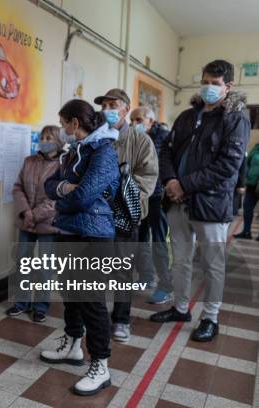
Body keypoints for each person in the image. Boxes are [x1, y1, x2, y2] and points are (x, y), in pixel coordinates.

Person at [150, 60, 250, 342]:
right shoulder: (186, 116)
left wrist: (184, 185)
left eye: (215, 83)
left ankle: (211, 317)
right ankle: (180, 308)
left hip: (210, 204)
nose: (208, 87)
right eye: (205, 81)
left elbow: (227, 165)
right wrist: (170, 182)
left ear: (228, 86)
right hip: (177, 202)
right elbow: (166, 152)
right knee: (180, 260)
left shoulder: (235, 119)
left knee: (212, 264)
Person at [40, 99, 120, 396]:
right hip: (69, 228)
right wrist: (63, 188)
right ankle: (73, 344)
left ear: (75, 123)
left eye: (63, 125)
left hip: (94, 234)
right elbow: (49, 185)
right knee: (70, 293)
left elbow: (85, 195)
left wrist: (63, 196)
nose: (62, 130)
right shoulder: (77, 150)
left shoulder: (104, 151)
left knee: (91, 300)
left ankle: (101, 364)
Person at [95, 89, 158, 342]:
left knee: (122, 271)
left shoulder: (140, 141)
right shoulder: (97, 137)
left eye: (113, 105)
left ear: (126, 108)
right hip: (98, 215)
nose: (108, 109)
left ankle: (121, 319)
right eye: (105, 105)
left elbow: (148, 177)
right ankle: (96, 318)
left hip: (125, 216)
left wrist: (122, 192)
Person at [6, 125, 65, 322]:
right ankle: (21, 302)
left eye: (49, 137)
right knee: (23, 262)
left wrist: (36, 214)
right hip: (26, 222)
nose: (44, 141)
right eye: (42, 137)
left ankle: (40, 306)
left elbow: (58, 197)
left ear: (58, 141)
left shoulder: (63, 165)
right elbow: (17, 187)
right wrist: (26, 212)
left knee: (46, 266)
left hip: (48, 223)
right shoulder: (29, 161)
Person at [130, 107, 174, 304]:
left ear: (151, 121)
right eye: (133, 120)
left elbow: (167, 164)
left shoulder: (164, 137)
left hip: (157, 196)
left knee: (158, 240)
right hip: (139, 196)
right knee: (139, 238)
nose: (135, 123)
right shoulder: (133, 138)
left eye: (139, 119)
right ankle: (146, 277)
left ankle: (165, 285)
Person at [234, 142, 259, 239]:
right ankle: (246, 232)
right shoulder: (256, 147)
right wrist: (245, 180)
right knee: (247, 208)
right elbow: (247, 162)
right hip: (251, 184)